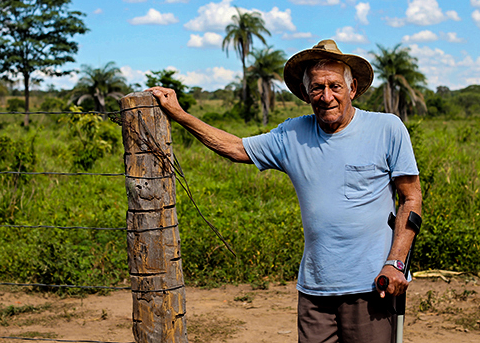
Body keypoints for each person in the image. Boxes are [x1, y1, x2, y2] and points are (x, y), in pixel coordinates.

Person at [147, 39, 422, 343]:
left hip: (373, 285)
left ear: (352, 88)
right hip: (316, 290)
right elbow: (236, 148)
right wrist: (179, 114)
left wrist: (396, 263)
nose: (326, 96)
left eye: (335, 86)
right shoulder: (292, 134)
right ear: (305, 93)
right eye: (317, 88)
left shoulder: (386, 129)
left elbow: (410, 198)